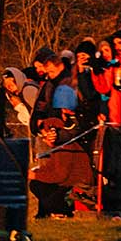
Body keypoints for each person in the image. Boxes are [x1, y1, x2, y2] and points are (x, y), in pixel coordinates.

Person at [30, 85, 95, 218]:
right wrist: (35, 173)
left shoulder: (65, 145)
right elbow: (51, 166)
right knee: (37, 184)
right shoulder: (59, 145)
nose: (45, 140)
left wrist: (35, 175)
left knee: (45, 191)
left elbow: (61, 176)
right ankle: (46, 212)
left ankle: (62, 210)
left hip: (77, 185)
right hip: (68, 182)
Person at [3, 66, 39, 133]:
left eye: (11, 81)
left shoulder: (28, 90)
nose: (9, 86)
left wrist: (20, 107)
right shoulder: (21, 94)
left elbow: (37, 119)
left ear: (17, 78)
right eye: (6, 83)